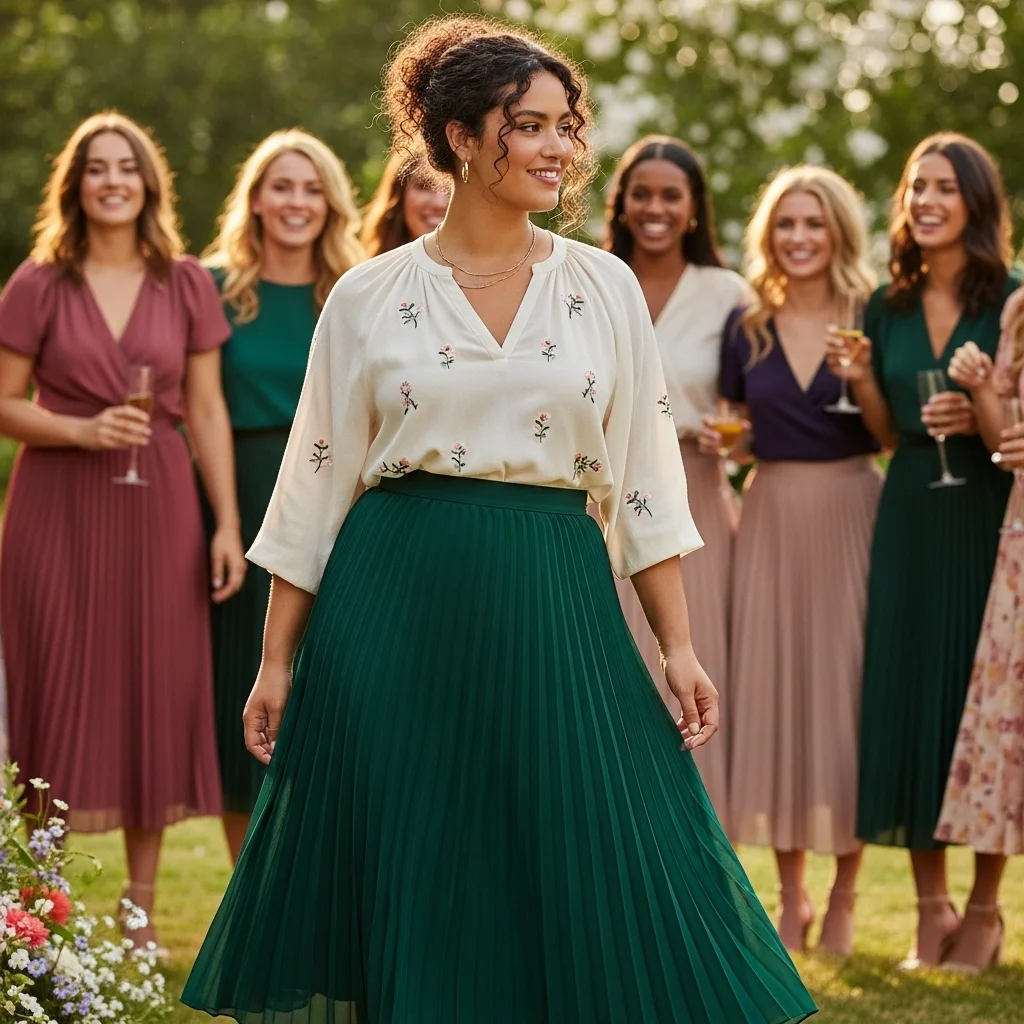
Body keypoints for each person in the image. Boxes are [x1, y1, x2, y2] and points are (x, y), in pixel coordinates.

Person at [182, 17, 816, 1023]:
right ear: (462, 138)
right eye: (530, 126)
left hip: (553, 588)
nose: (559, 147)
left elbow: (644, 484)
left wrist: (678, 646)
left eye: (567, 125)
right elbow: (314, 484)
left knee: (592, 838)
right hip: (390, 603)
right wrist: (275, 660)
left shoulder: (603, 286)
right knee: (416, 851)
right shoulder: (368, 296)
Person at [0, 111, 246, 951]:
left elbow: (205, 409)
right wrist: (78, 430)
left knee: (153, 689)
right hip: (54, 511)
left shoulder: (186, 283)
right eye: (96, 168)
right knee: (53, 689)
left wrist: (226, 523)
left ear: (149, 183)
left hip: (161, 504)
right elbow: (4, 401)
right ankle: (41, 903)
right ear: (75, 185)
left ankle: (138, 910)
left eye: (126, 167)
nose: (112, 181)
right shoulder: (38, 281)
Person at [837, 132, 1016, 969]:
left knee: (982, 697)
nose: (926, 201)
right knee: (910, 693)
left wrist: (979, 411)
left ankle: (985, 909)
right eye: (916, 187)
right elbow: (881, 433)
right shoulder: (887, 303)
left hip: (990, 511)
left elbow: (1015, 429)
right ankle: (929, 908)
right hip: (910, 504)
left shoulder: (1012, 297)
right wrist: (862, 381)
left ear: (976, 202)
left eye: (944, 187)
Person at [717, 166, 881, 956]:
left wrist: (864, 380)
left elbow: (887, 433)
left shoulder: (872, 315)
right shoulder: (746, 325)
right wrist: (734, 444)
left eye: (814, 223)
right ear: (769, 235)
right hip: (772, 511)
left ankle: (846, 892)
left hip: (854, 508)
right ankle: (792, 896)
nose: (800, 237)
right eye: (786, 224)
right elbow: (742, 433)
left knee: (846, 702)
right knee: (778, 695)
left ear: (839, 230)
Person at [203, 129, 365, 863]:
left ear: (331, 203)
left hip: (339, 496)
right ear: (256, 200)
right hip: (238, 492)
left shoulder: (357, 290)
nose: (297, 201)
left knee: (330, 679)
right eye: (281, 186)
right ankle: (247, 880)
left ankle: (320, 867)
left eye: (311, 188)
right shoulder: (212, 288)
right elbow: (200, 405)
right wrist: (224, 521)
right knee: (243, 676)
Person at [600, 134, 748, 828]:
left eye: (670, 196)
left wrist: (739, 435)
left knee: (691, 662)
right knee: (610, 665)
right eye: (642, 194)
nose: (654, 208)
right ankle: (611, 821)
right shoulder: (591, 278)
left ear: (694, 209)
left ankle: (693, 833)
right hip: (599, 495)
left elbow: (754, 403)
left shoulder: (728, 294)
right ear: (622, 203)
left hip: (694, 495)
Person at [931, 284, 1024, 971]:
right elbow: (1004, 443)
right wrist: (985, 389)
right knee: (1006, 725)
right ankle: (984, 911)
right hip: (1020, 542)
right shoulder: (1019, 311)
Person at [361, 148, 450, 256]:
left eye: (450, 188)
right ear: (399, 194)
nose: (439, 203)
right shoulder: (369, 265)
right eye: (424, 186)